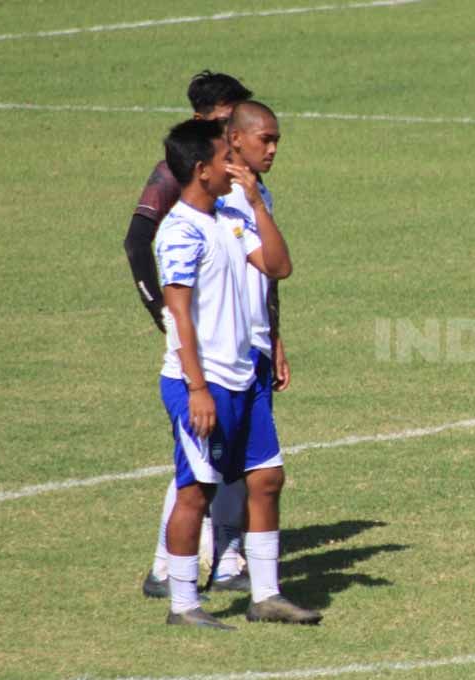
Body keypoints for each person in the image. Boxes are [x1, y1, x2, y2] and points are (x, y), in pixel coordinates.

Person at [154, 117, 302, 629]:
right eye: (224, 159)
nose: (231, 166)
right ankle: (183, 605)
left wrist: (257, 205)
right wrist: (197, 388)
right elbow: (179, 315)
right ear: (201, 169)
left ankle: (265, 596)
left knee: (267, 478)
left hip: (245, 376)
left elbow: (279, 267)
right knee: (197, 490)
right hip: (203, 382)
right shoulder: (178, 232)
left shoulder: (228, 218)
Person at [128, 70, 257, 599]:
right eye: (232, 120)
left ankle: (226, 557)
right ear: (207, 118)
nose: (241, 130)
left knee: (235, 461)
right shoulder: (177, 175)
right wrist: (166, 314)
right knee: (198, 464)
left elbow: (259, 264)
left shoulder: (239, 173)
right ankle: (168, 568)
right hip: (202, 345)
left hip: (246, 338)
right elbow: (137, 242)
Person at [206, 101, 297, 611]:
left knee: (262, 473)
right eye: (266, 139)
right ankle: (171, 573)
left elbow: (274, 270)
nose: (274, 148)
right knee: (203, 474)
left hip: (255, 350)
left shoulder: (254, 193)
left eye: (277, 139)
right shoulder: (210, 197)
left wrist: (275, 337)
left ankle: (253, 583)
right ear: (235, 139)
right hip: (216, 358)